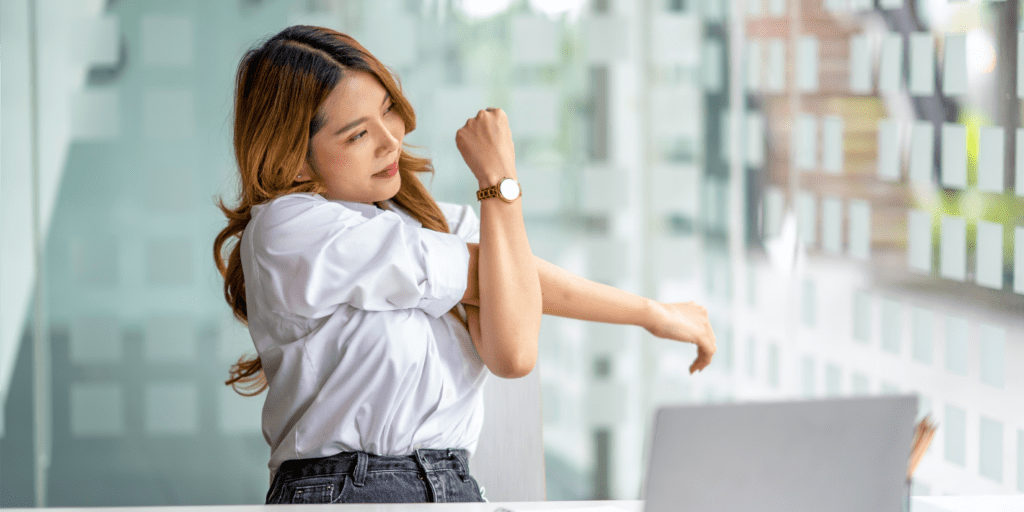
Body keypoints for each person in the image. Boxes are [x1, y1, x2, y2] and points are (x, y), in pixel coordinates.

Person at [212, 25, 716, 505]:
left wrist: (499, 199)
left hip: (455, 485)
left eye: (389, 111)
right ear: (297, 159)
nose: (392, 140)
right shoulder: (289, 228)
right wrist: (499, 180)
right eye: (357, 134)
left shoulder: (442, 225)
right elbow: (497, 279)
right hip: (346, 490)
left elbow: (513, 352)